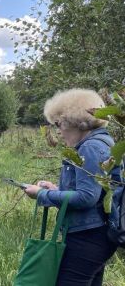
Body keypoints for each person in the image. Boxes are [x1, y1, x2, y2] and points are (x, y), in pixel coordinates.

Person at [23, 89, 117, 286]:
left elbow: (86, 197)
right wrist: (56, 189)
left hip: (87, 237)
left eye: (59, 123)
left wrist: (43, 195)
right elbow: (94, 191)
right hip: (97, 234)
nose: (58, 130)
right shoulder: (103, 142)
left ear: (77, 121)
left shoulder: (90, 147)